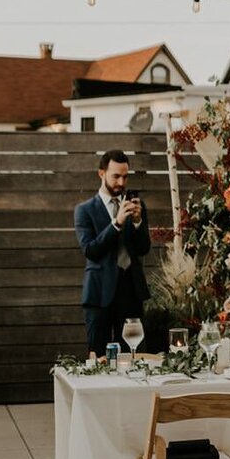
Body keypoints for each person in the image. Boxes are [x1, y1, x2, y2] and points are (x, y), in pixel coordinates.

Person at [75, 149, 151, 354]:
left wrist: (137, 222)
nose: (121, 182)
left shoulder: (136, 206)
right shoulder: (85, 210)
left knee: (133, 358)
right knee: (98, 358)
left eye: (125, 177)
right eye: (115, 176)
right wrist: (116, 224)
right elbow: (90, 250)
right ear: (101, 174)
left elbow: (144, 249)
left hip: (131, 292)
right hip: (99, 294)